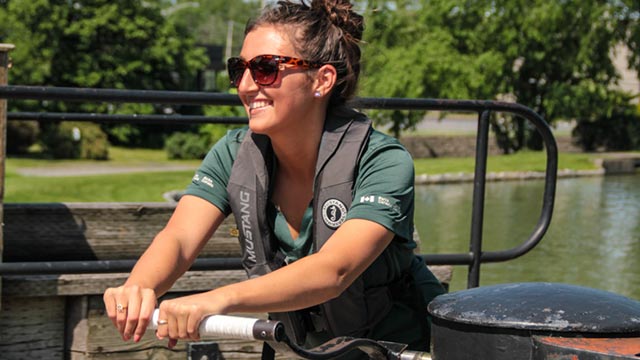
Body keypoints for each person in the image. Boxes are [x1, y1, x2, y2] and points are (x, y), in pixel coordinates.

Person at [103, 0, 445, 357]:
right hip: (303, 350)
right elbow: (178, 239)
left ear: (322, 80)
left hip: (403, 350)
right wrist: (139, 287)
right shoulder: (233, 154)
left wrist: (216, 300)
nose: (247, 86)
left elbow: (335, 270)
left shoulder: (383, 160)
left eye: (266, 68)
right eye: (240, 69)